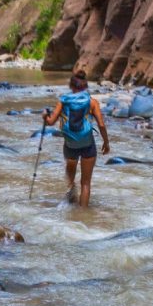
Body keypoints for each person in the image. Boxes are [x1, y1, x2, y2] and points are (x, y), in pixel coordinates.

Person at [42, 71, 110, 206]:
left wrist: (45, 116)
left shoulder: (63, 101)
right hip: (88, 144)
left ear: (71, 86)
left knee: (71, 164)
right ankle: (82, 217)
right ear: (85, 87)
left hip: (70, 144)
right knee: (86, 183)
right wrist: (106, 142)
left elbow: (50, 122)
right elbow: (101, 124)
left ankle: (71, 186)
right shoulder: (92, 102)